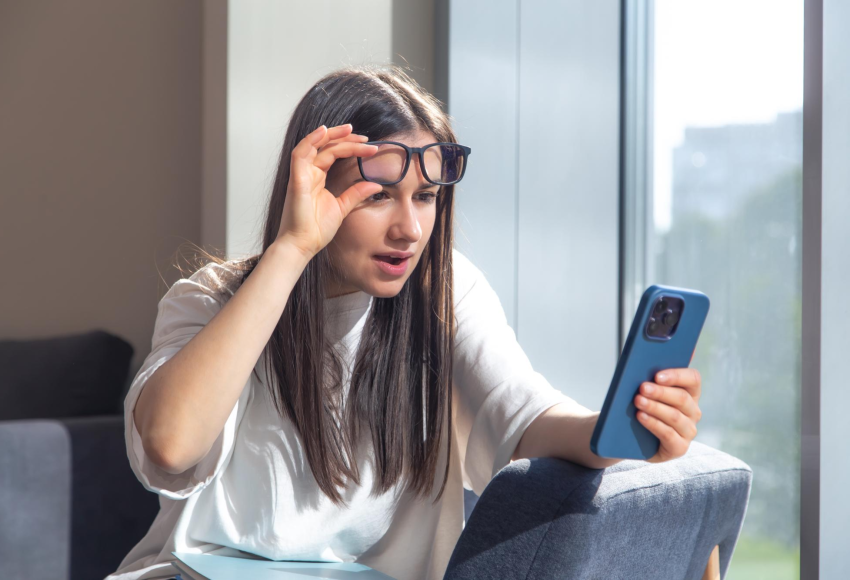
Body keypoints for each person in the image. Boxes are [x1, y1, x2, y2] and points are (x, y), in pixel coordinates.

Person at [105, 63, 703, 580]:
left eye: (425, 197)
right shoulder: (210, 299)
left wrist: (623, 425)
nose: (410, 230)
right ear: (308, 191)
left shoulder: (446, 292)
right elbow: (171, 444)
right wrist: (293, 248)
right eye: (376, 197)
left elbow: (523, 417)